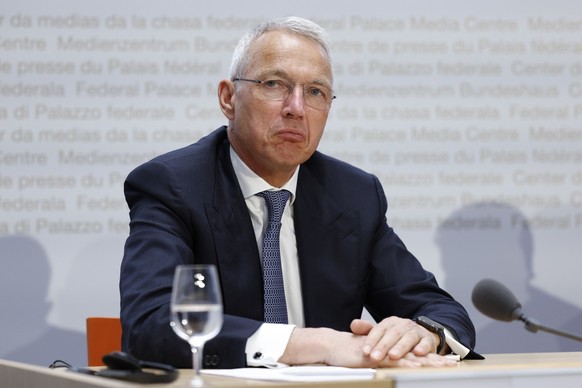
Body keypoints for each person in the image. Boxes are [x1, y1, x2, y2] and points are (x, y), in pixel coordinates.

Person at [120, 16, 480, 370]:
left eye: (315, 92)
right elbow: (150, 325)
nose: (296, 108)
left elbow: (442, 311)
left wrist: (423, 333)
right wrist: (319, 344)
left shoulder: (353, 195)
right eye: (274, 84)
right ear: (228, 98)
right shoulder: (172, 186)